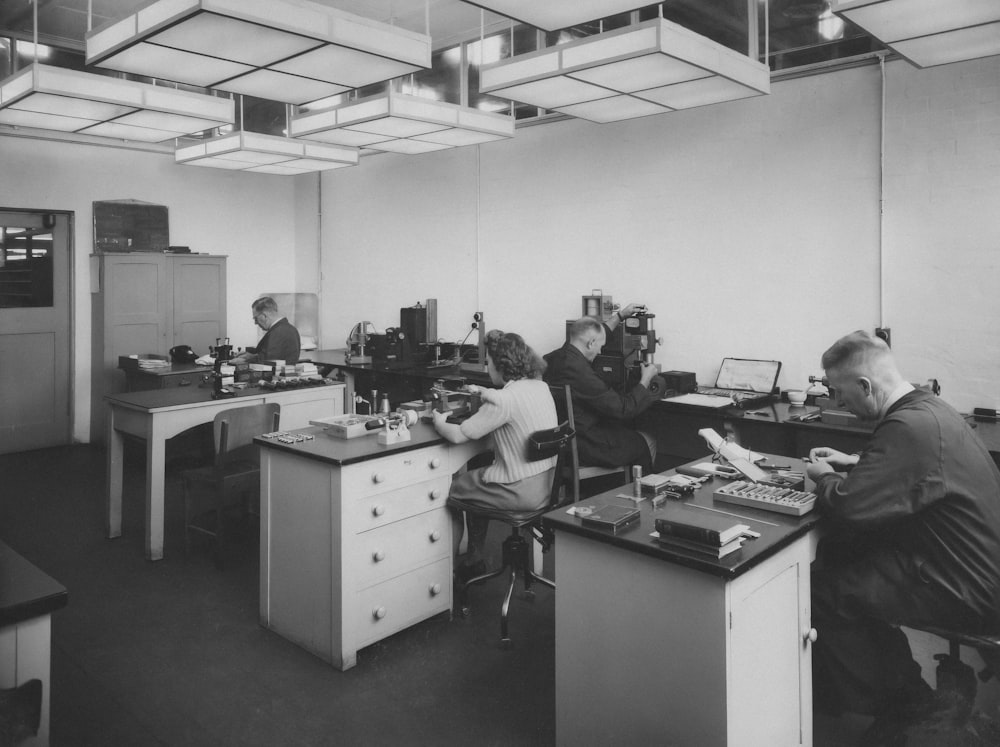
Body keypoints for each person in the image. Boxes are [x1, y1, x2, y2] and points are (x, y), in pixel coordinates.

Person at [805, 331, 1000, 741]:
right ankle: (908, 691)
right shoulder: (929, 409)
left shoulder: (908, 427)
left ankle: (899, 705)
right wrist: (858, 461)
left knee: (822, 591)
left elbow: (848, 508)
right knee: (843, 561)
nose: (839, 404)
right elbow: (922, 470)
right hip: (976, 569)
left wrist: (824, 478)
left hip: (967, 586)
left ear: (865, 386)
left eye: (841, 394)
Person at [432, 330, 558, 579]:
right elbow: (513, 406)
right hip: (546, 486)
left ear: (500, 364)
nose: (486, 367)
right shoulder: (540, 387)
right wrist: (483, 391)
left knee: (456, 487)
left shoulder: (503, 401)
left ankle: (449, 572)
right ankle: (475, 556)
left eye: (488, 362)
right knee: (479, 477)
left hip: (518, 492)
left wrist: (438, 421)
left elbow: (458, 435)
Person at [543, 304, 657, 472]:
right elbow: (624, 409)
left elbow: (596, 332)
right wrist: (645, 380)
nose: (601, 350)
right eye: (600, 346)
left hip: (561, 440)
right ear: (591, 343)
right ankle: (640, 495)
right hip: (583, 444)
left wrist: (620, 316)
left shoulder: (555, 358)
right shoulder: (581, 373)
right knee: (643, 442)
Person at [232, 296, 300, 364]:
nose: (255, 323)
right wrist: (250, 356)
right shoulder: (288, 328)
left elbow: (268, 360)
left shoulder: (278, 331)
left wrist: (244, 361)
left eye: (256, 318)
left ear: (264, 315)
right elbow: (271, 354)